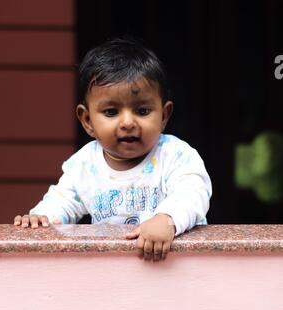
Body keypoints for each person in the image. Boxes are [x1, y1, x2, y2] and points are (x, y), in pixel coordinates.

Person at [14, 36, 212, 262]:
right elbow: (63, 200)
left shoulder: (176, 155)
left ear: (164, 115)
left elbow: (193, 193)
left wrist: (167, 218)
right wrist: (41, 217)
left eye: (143, 110)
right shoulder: (85, 164)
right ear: (87, 120)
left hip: (176, 268)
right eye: (111, 112)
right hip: (113, 269)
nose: (127, 122)